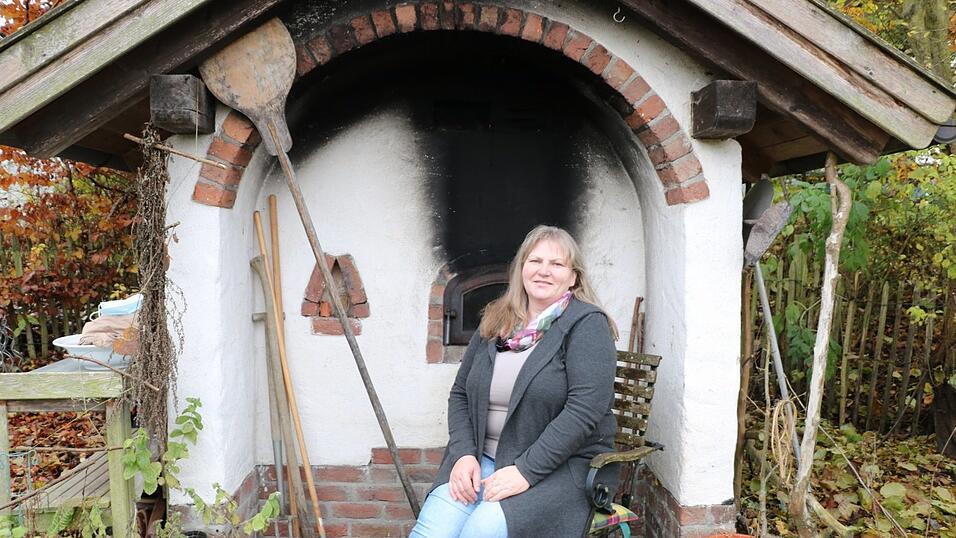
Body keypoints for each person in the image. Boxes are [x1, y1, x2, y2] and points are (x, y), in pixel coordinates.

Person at [410, 225, 620, 538]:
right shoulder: (498, 319)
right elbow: (460, 396)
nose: (544, 271)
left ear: (573, 277)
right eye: (535, 261)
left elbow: (584, 411)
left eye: (557, 264)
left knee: (480, 530)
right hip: (481, 461)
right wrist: (465, 454)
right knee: (431, 532)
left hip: (558, 469)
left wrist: (525, 471)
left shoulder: (587, 325)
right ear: (521, 268)